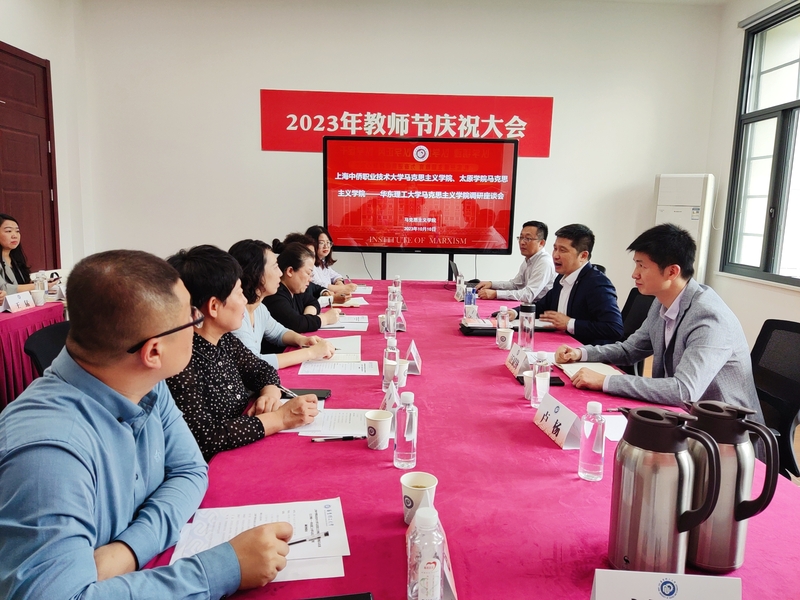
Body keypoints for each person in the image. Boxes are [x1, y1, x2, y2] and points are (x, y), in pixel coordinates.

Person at [0, 250, 293, 599]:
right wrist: (222, 568)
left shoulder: (145, 384)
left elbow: (190, 470)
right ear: (154, 351)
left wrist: (127, 550)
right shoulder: (47, 454)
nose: (197, 322)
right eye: (190, 317)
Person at [555, 223, 764, 419]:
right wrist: (581, 353)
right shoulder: (662, 302)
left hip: (724, 430)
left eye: (642, 266)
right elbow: (630, 350)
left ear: (672, 271)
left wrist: (606, 381)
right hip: (679, 415)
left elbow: (684, 390)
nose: (634, 274)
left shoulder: (709, 318)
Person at [166, 245, 318, 461]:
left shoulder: (224, 340)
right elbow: (205, 437)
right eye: (239, 293)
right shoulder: (181, 360)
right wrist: (279, 419)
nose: (245, 300)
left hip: (244, 448)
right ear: (214, 306)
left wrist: (270, 394)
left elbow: (262, 370)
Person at [510, 224, 623, 346]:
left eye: (562, 250)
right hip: (560, 344)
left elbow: (614, 328)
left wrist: (569, 323)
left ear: (583, 256)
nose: (555, 255)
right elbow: (542, 306)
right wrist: (515, 313)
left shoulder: (597, 284)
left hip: (584, 350)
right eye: (555, 248)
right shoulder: (562, 277)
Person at [228, 238, 335, 367]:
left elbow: (279, 333)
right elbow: (254, 364)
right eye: (275, 267)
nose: (280, 273)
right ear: (256, 273)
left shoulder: (259, 308)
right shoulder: (236, 314)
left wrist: (303, 340)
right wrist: (311, 353)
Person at [263, 242, 341, 333]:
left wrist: (308, 318)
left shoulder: (295, 291)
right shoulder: (275, 295)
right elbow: (297, 324)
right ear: (290, 271)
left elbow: (313, 301)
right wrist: (325, 319)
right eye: (308, 273)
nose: (310, 279)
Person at [475, 220, 556, 302]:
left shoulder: (544, 262)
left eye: (528, 238)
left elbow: (528, 295)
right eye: (521, 237)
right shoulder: (529, 259)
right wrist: (491, 284)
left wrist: (496, 294)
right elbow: (515, 285)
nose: (522, 242)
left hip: (539, 308)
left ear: (541, 243)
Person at [0, 213, 60, 302]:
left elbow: (22, 283)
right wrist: (39, 286)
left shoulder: (15, 258)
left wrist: (40, 282)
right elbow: (3, 288)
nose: (14, 235)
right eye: (8, 231)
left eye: (17, 231)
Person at [305, 225, 357, 295]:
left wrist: (339, 283)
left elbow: (335, 275)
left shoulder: (322, 262)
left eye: (328, 242)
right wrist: (343, 288)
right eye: (321, 243)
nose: (326, 246)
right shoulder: (309, 265)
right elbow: (317, 285)